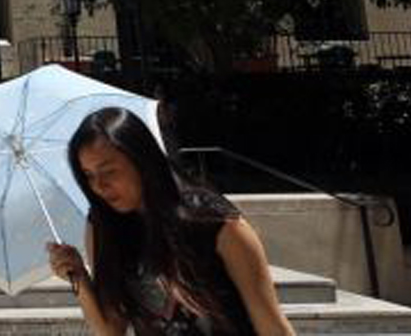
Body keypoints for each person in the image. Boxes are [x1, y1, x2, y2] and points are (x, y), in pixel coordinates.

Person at [45, 107, 296, 335]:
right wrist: (79, 277)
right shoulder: (103, 226)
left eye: (109, 171)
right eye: (88, 175)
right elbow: (111, 330)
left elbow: (271, 326)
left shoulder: (216, 223)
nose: (99, 186)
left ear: (142, 161)